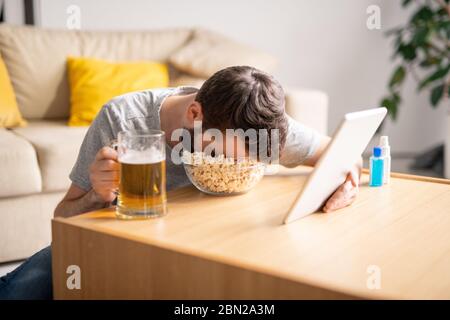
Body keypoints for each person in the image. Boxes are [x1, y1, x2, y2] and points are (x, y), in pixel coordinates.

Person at [0, 66, 360, 299]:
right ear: (194, 114)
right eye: (222, 155)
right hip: (133, 245)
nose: (232, 165)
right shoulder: (122, 118)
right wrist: (96, 195)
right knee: (21, 290)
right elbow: (64, 218)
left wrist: (348, 179)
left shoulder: (255, 128)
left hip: (221, 247)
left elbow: (344, 153)